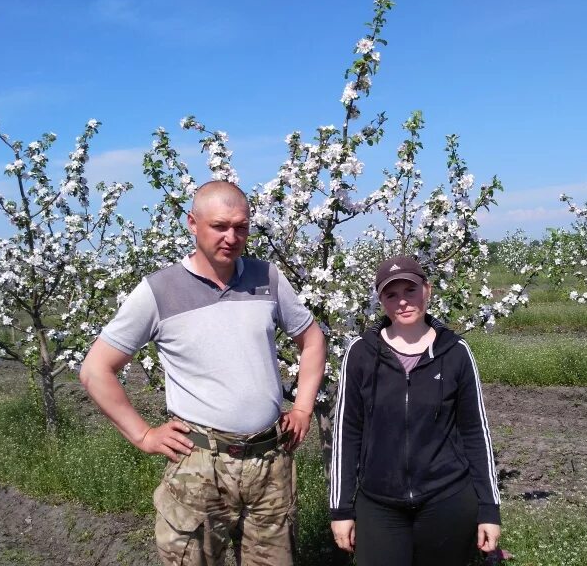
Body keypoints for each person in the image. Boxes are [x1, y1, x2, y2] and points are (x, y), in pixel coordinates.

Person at [79, 180, 326, 566]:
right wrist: (143, 434)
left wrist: (303, 409)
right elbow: (96, 369)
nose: (232, 237)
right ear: (193, 223)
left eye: (241, 227)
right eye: (220, 226)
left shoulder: (268, 278)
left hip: (269, 462)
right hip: (200, 465)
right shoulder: (158, 291)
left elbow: (312, 340)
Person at [329, 254, 502, 565]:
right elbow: (346, 433)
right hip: (379, 502)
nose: (402, 303)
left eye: (410, 290)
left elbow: (476, 432)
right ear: (380, 299)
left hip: (446, 498)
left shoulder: (455, 353)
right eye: (391, 294)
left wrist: (489, 508)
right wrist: (341, 509)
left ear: (428, 290)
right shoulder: (361, 354)